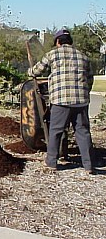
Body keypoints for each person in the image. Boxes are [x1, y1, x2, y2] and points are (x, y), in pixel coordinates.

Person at [28, 29, 94, 174]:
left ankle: (52, 162)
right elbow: (90, 79)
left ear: (58, 42)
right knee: (83, 132)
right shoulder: (83, 56)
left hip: (61, 100)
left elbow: (37, 71)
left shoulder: (52, 54)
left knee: (56, 130)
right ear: (70, 41)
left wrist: (30, 71)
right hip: (81, 101)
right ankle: (89, 165)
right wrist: (84, 93)